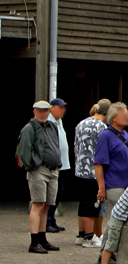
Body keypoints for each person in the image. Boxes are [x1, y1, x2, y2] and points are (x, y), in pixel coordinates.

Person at [93, 102, 128, 264]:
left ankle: (107, 253)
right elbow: (99, 164)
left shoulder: (125, 134)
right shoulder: (105, 136)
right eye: (124, 114)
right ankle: (106, 253)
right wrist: (102, 188)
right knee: (116, 220)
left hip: (126, 186)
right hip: (114, 186)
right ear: (114, 118)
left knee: (115, 220)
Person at [16, 101, 62, 254]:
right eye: (40, 111)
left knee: (47, 205)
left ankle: (43, 239)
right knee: (37, 204)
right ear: (34, 111)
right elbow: (24, 151)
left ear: (49, 111)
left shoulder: (52, 126)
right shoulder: (29, 128)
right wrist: (33, 166)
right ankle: (34, 242)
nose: (43, 113)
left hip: (53, 170)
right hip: (39, 170)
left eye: (46, 111)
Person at [74, 100, 109, 247]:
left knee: (83, 203)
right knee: (92, 205)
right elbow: (104, 151)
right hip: (94, 171)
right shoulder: (102, 127)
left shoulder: (81, 124)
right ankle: (89, 237)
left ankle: (81, 235)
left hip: (80, 169)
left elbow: (75, 148)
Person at [46, 97, 71, 233]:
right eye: (60, 107)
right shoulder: (49, 121)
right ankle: (48, 220)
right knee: (53, 193)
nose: (63, 110)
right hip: (55, 164)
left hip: (63, 163)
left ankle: (52, 220)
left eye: (64, 107)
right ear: (52, 108)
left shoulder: (59, 121)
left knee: (59, 193)